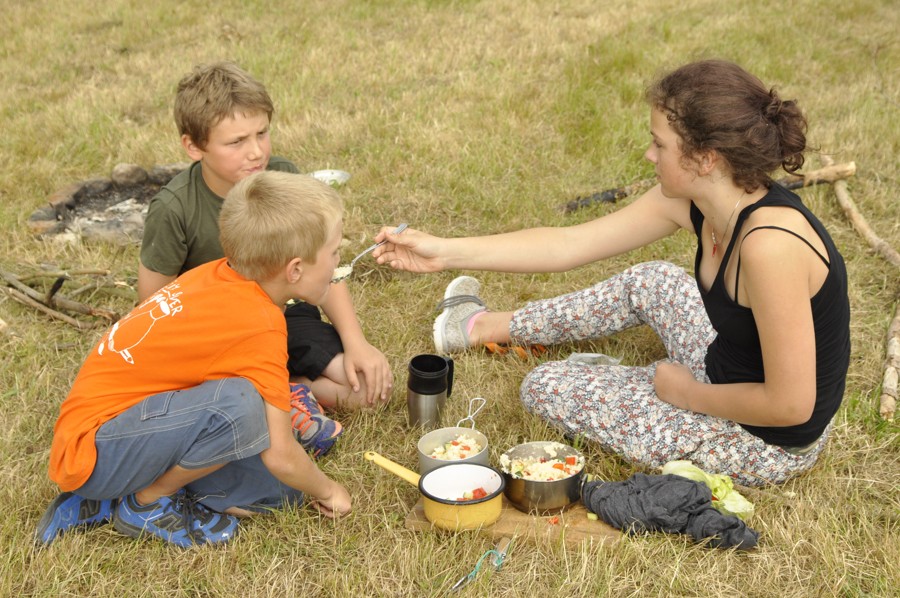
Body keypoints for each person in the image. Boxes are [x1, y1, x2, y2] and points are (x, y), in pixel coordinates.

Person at [372, 59, 851, 487]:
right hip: (724, 368)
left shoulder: (770, 247)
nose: (649, 155)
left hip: (766, 439)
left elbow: (792, 405)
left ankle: (630, 388)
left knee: (546, 387)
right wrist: (443, 252)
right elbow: (568, 244)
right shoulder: (699, 200)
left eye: (659, 144)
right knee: (651, 280)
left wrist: (688, 394)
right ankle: (479, 327)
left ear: (706, 158)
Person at [36, 171, 353, 548]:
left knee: (280, 493)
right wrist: (330, 490)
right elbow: (281, 455)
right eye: (334, 253)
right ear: (295, 269)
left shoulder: (218, 274)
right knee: (241, 408)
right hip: (96, 451)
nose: (338, 262)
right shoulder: (259, 324)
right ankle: (146, 502)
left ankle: (116, 494)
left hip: (128, 433)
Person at [138, 60, 392, 419]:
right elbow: (152, 306)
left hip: (287, 315)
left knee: (367, 391)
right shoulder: (174, 209)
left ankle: (286, 386)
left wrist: (357, 343)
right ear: (194, 146)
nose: (256, 151)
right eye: (237, 141)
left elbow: (322, 264)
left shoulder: (281, 177)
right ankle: (279, 390)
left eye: (262, 133)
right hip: (218, 335)